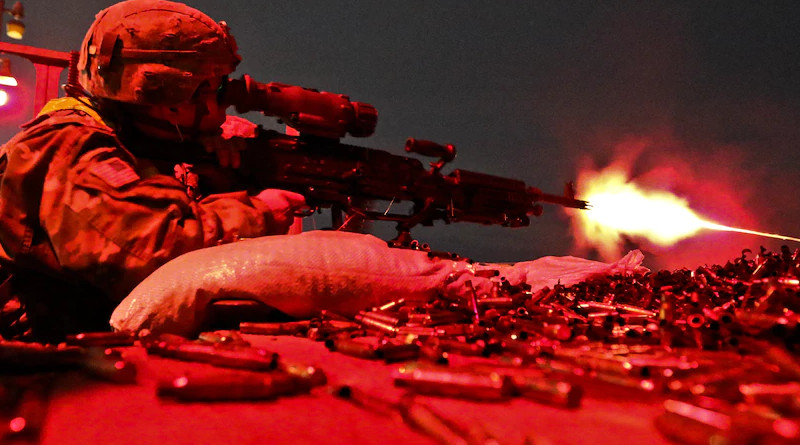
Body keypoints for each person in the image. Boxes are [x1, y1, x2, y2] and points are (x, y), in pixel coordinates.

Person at [0, 0, 306, 341]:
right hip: (39, 361)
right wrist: (260, 211)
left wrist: (225, 175)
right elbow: (150, 252)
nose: (225, 100)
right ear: (170, 96)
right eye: (217, 87)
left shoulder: (138, 142)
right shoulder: (70, 144)